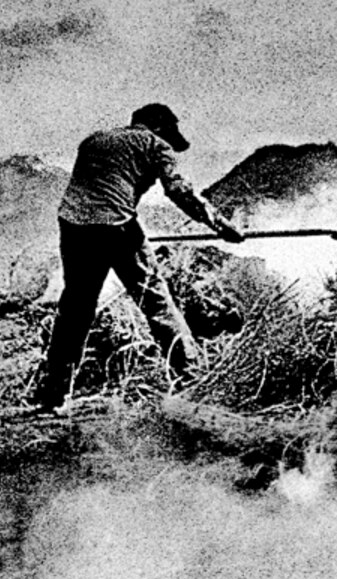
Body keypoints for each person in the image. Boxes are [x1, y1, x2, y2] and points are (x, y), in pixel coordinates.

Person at [29, 102, 243, 412]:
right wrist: (221, 225)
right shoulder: (157, 145)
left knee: (75, 308)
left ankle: (52, 392)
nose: (172, 141)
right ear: (158, 128)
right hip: (117, 226)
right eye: (170, 134)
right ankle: (193, 384)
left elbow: (102, 189)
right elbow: (178, 191)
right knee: (156, 302)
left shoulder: (93, 140)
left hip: (73, 226)